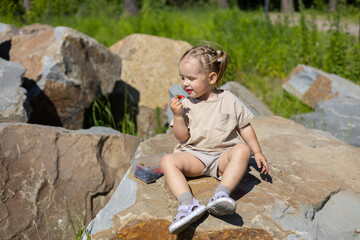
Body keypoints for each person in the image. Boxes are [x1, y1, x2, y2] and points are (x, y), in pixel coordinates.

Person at [160, 45, 269, 234]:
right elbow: (182, 136)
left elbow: (244, 126)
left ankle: (221, 195)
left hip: (222, 158)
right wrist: (178, 115)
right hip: (195, 157)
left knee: (243, 150)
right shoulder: (186, 104)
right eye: (182, 77)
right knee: (167, 161)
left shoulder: (228, 99)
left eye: (191, 78)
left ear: (211, 78)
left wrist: (257, 152)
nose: (185, 83)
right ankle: (187, 205)